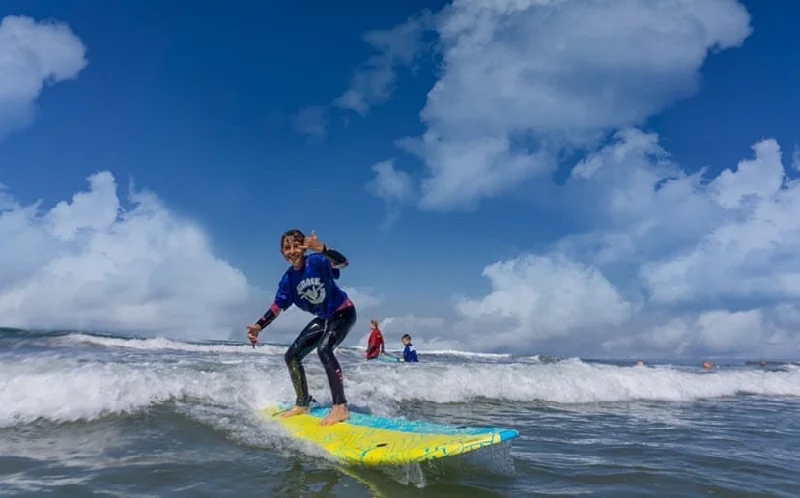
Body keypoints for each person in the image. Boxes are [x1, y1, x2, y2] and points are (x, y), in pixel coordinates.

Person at [246, 229, 356, 427]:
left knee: (324, 349)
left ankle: (340, 407)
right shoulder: (288, 280)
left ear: (304, 248)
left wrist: (322, 249)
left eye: (296, 246)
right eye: (287, 248)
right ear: (282, 253)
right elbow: (277, 306)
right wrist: (258, 326)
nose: (292, 251)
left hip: (343, 312)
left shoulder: (317, 261)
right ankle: (302, 403)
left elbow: (343, 264)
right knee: (292, 356)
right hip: (324, 318)